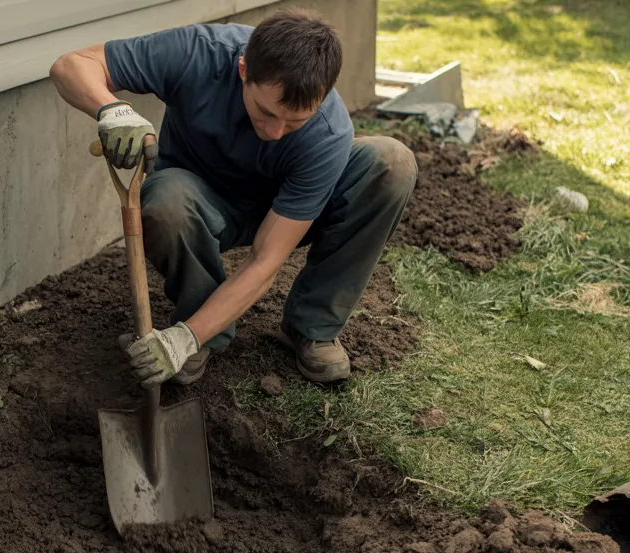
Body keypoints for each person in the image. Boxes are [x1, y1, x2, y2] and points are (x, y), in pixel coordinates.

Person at [50, 9, 416, 386]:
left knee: (390, 163)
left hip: (281, 211)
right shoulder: (199, 54)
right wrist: (112, 108)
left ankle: (311, 325)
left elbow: (265, 261)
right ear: (243, 70)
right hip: (197, 202)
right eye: (266, 111)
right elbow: (72, 65)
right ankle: (203, 328)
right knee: (165, 202)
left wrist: (183, 339)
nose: (276, 132)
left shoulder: (328, 134)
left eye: (295, 122)